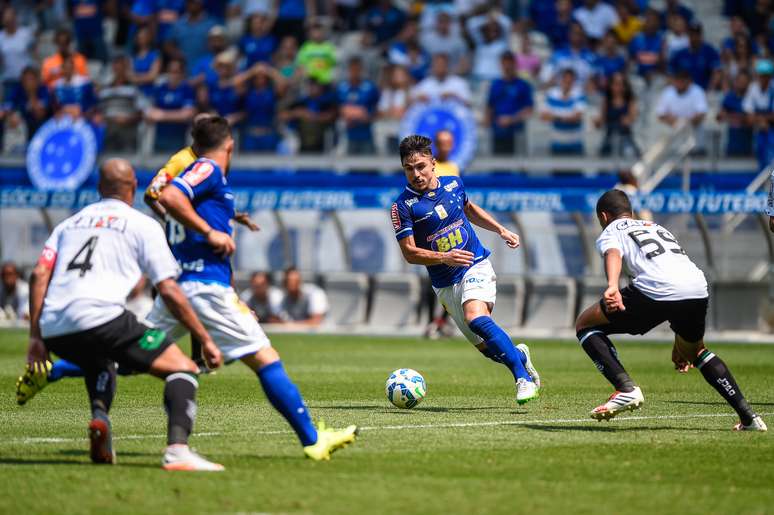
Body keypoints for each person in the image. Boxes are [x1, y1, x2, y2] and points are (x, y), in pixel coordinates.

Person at [148, 115, 357, 460]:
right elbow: (168, 196)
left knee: (127, 354)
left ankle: (50, 369)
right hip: (206, 288)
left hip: (179, 286)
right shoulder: (208, 169)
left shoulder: (200, 174)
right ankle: (312, 440)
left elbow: (178, 201)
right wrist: (210, 231)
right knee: (266, 359)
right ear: (229, 146)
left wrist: (227, 219)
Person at [18, 158, 227, 470]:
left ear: (100, 188)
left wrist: (36, 337)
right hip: (103, 317)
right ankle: (178, 451)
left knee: (99, 360)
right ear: (132, 188)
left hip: (55, 325)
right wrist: (205, 338)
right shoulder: (143, 224)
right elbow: (168, 290)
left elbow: (38, 275)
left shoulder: (69, 224)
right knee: (182, 369)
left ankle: (100, 419)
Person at [574, 189, 767, 431]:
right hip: (696, 287)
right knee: (696, 351)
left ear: (603, 216)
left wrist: (612, 285)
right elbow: (675, 281)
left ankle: (626, 389)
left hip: (655, 288)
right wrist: (680, 340)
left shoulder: (614, 228)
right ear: (631, 212)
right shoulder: (656, 227)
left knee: (585, 324)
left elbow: (613, 252)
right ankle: (749, 418)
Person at [391, 135, 541, 405]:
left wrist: (501, 229)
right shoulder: (402, 206)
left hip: (475, 263)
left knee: (476, 317)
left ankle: (522, 378)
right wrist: (443, 257)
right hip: (445, 282)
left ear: (433, 163)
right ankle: (519, 357)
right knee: (487, 349)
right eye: (409, 168)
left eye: (421, 166)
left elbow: (469, 209)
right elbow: (409, 253)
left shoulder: (453, 183)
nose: (416, 173)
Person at [144, 114, 259, 370]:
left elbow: (199, 202)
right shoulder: (182, 160)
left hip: (198, 237)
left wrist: (232, 216)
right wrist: (178, 222)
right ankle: (194, 353)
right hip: (186, 239)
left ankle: (197, 356)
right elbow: (153, 193)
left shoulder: (207, 162)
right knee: (191, 288)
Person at [96, 54, 144, 153]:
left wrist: (128, 119)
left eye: (122, 67)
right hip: (109, 127)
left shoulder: (134, 89)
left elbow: (141, 113)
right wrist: (106, 118)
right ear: (113, 69)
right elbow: (99, 111)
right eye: (116, 67)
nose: (119, 70)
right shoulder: (105, 90)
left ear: (126, 69)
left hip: (128, 128)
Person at [145, 58, 195, 152]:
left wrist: (161, 115)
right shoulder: (160, 88)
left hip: (178, 139)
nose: (173, 75)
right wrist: (176, 114)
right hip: (159, 138)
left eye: (176, 72)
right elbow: (150, 114)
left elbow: (187, 115)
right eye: (171, 71)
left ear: (182, 73)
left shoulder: (187, 89)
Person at [337, 56, 380, 155]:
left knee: (367, 166)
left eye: (357, 69)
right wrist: (346, 114)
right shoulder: (341, 88)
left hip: (366, 133)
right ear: (348, 70)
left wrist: (367, 117)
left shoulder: (370, 88)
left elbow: (377, 108)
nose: (354, 72)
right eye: (352, 69)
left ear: (361, 70)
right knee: (347, 165)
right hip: (347, 133)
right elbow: (338, 108)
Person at [655, 70, 708, 150]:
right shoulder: (668, 92)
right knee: (666, 128)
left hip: (692, 125)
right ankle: (667, 152)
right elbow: (660, 114)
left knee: (697, 126)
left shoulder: (697, 91)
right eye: (678, 81)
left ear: (689, 81)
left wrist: (686, 123)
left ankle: (698, 151)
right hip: (673, 125)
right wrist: (675, 122)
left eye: (682, 81)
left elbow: (701, 113)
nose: (680, 84)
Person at [540, 67, 587, 156]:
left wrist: (555, 116)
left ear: (574, 81)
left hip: (575, 144)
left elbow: (576, 118)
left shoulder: (579, 94)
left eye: (570, 80)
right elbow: (544, 117)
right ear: (561, 79)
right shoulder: (551, 94)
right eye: (566, 79)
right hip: (556, 144)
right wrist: (566, 116)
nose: (568, 82)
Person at [596, 72, 639, 158]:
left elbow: (632, 117)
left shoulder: (630, 101)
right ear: (611, 86)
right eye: (616, 84)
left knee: (629, 155)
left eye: (621, 84)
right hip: (609, 137)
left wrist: (628, 119)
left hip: (625, 137)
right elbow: (601, 120)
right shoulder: (606, 101)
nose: (618, 87)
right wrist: (597, 122)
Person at [668, 22, 721, 91]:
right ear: (688, 35)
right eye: (691, 34)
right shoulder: (680, 53)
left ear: (701, 35)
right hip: (684, 92)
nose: (694, 37)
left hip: (704, 91)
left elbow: (717, 72)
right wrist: (677, 89)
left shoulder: (709, 51)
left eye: (696, 34)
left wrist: (710, 89)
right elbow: (670, 74)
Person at [743, 59, 774, 172]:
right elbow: (748, 112)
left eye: (766, 76)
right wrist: (761, 121)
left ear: (770, 76)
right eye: (761, 75)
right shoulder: (753, 88)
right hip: (760, 128)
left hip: (771, 129)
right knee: (761, 152)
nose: (763, 78)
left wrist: (762, 119)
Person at [0, 6, 34, 98]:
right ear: (2, 21)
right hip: (9, 81)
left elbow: (34, 53)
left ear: (15, 18)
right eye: (6, 19)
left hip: (27, 80)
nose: (9, 21)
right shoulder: (0, 38)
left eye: (11, 18)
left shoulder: (26, 33)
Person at [718, 71, 754, 157]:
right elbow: (720, 116)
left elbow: (750, 119)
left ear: (748, 83)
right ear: (736, 82)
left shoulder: (752, 97)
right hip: (731, 144)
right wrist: (736, 117)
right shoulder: (729, 97)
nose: (742, 83)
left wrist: (733, 116)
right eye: (740, 81)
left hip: (748, 145)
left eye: (745, 81)